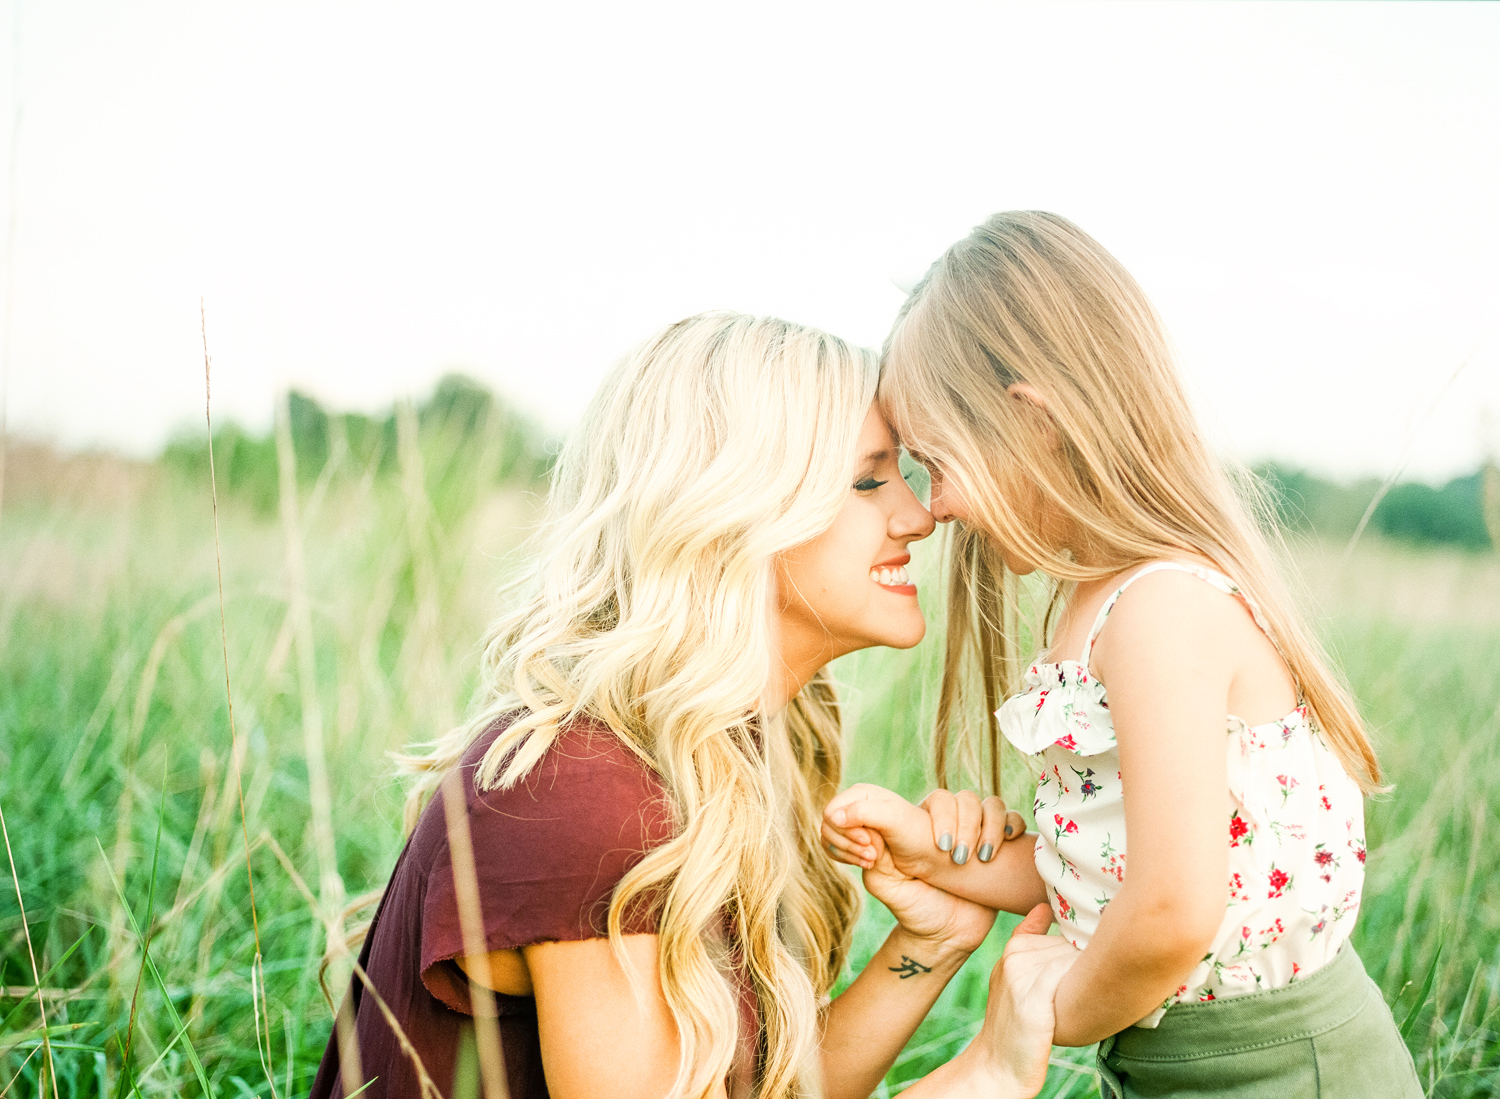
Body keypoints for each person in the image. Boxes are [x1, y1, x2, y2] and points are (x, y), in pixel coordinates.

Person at [309, 311, 1076, 1099]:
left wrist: (933, 940)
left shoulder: (713, 754)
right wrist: (987, 1072)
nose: (918, 517)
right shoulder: (584, 791)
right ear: (736, 511)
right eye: (868, 479)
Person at [823, 212, 1423, 1098]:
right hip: (1174, 1066)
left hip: (1284, 1069)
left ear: (1035, 424)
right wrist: (937, 861)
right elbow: (1104, 873)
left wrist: (1021, 1035)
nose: (935, 504)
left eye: (936, 461)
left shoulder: (1160, 613)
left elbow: (1174, 908)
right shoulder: (1091, 609)